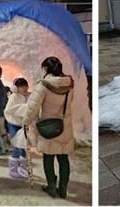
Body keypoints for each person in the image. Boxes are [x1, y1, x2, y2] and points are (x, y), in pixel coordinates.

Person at [24, 57, 75, 199]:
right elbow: (70, 101)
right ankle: (63, 189)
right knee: (63, 157)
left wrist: (26, 121)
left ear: (46, 68)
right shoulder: (69, 83)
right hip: (64, 124)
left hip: (48, 126)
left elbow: (32, 107)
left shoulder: (43, 85)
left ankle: (51, 186)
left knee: (48, 157)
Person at [4, 77, 30, 179]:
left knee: (24, 146)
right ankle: (13, 168)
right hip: (14, 123)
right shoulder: (14, 96)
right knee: (17, 145)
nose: (23, 89)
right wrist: (24, 109)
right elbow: (9, 110)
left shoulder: (31, 96)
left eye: (24, 86)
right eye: (21, 87)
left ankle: (23, 167)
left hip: (25, 124)